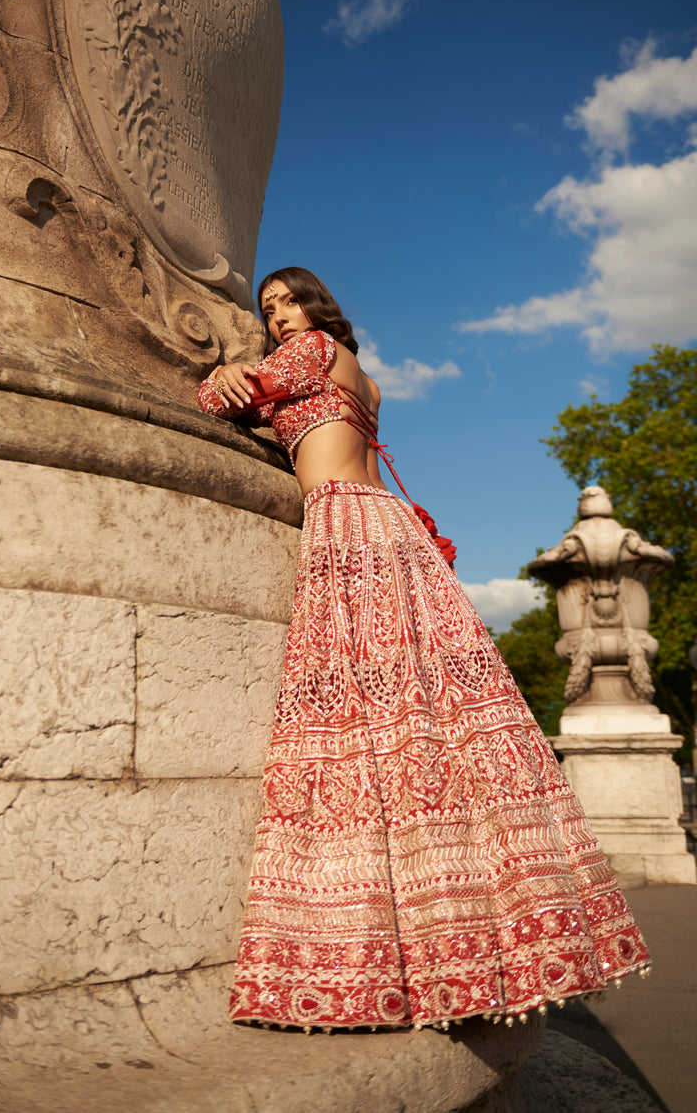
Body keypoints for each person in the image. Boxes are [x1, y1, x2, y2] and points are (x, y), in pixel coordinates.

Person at [197, 267, 650, 1032]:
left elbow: (218, 401)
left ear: (318, 307)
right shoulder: (364, 378)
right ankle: (479, 941)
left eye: (287, 301)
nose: (277, 317)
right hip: (389, 526)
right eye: (266, 308)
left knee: (363, 727)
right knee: (432, 726)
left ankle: (373, 945)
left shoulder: (310, 353)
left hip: (349, 525)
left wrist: (222, 370)